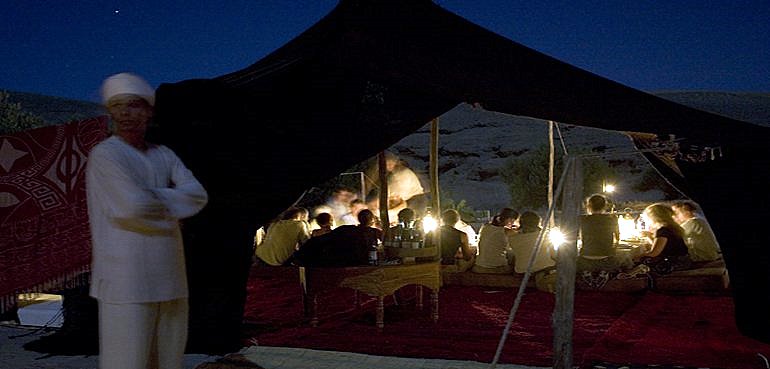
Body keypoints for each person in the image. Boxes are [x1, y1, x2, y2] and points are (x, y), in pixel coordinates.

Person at [86, 72, 208, 369]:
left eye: (134, 105)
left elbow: (198, 196)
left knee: (169, 359)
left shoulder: (163, 154)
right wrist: (171, 205)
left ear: (149, 111)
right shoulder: (105, 155)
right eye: (118, 106)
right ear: (110, 111)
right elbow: (131, 207)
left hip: (170, 274)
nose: (126, 113)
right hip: (126, 278)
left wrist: (152, 200)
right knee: (127, 360)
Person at [577, 194, 633, 272]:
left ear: (588, 206)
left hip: (585, 258)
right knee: (627, 258)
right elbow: (617, 239)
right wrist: (612, 250)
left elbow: (579, 238)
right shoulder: (612, 218)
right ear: (604, 206)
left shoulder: (583, 219)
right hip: (607, 259)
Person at [508, 211, 557, 292]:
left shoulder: (513, 238)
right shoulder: (545, 235)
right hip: (545, 268)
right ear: (537, 222)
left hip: (521, 272)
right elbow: (554, 254)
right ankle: (542, 277)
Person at [639, 203, 692, 274]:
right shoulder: (671, 227)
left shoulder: (663, 230)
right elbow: (662, 247)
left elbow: (654, 253)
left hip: (675, 263)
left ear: (653, 217)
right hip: (684, 261)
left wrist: (635, 256)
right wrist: (648, 236)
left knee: (640, 266)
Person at [472, 208, 518, 274]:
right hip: (497, 266)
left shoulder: (485, 227)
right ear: (510, 219)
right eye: (514, 221)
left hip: (479, 264)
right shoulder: (505, 231)